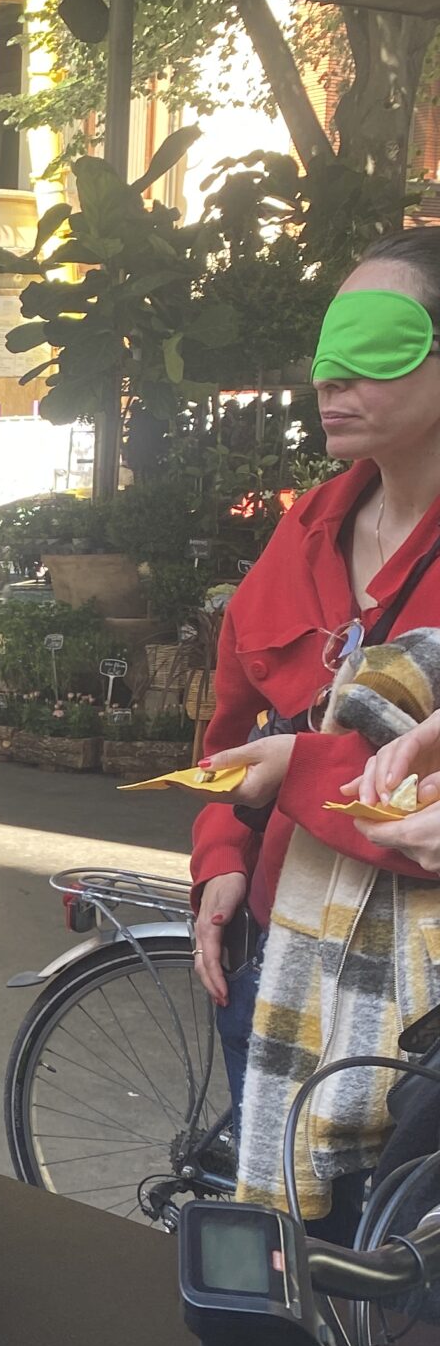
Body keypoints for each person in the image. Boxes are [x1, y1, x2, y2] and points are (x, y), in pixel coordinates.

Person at [188, 231, 440, 1215]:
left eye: (373, 342)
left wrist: (300, 768)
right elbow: (230, 725)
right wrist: (219, 858)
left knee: (397, 1263)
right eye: (327, 345)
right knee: (283, 1242)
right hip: (275, 955)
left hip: (417, 998)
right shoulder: (306, 529)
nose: (331, 376)